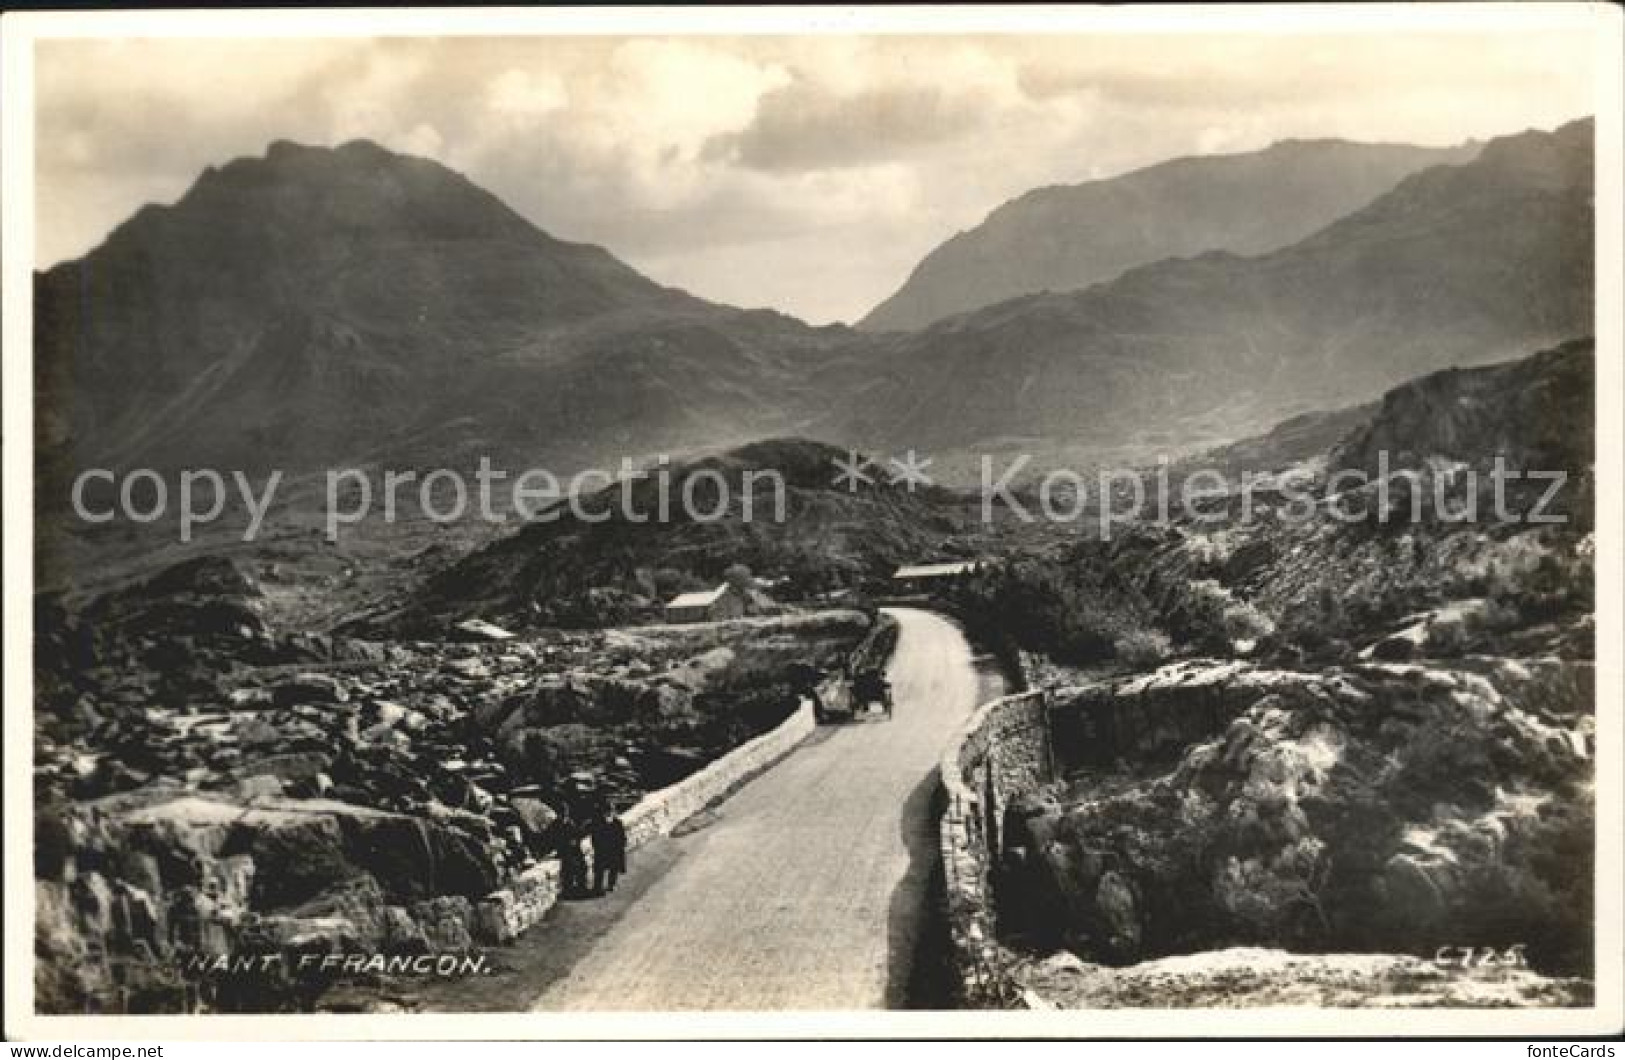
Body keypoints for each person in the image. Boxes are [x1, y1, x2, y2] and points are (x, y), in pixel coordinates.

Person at [589, 805, 628, 895]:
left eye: (610, 812)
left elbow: (622, 836)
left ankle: (611, 885)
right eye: (606, 812)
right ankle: (597, 888)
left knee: (613, 868)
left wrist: (621, 845)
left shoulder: (617, 823)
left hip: (614, 849)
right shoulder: (598, 823)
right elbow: (594, 837)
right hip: (602, 849)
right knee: (599, 869)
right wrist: (597, 847)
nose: (608, 814)